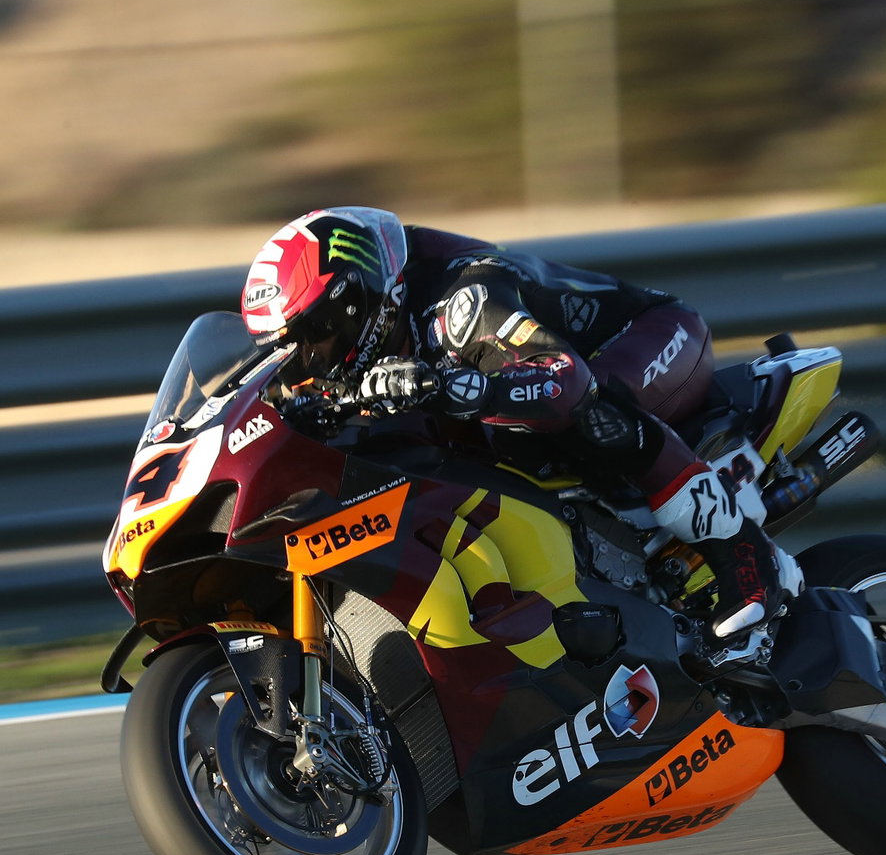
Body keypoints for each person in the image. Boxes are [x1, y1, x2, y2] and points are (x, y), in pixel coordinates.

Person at [241, 206, 800, 653]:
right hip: (532, 382)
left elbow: (564, 381)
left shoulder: (464, 299)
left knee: (585, 406)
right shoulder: (352, 351)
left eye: (313, 336)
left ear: (359, 300)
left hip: (651, 338)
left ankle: (740, 550)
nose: (308, 361)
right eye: (290, 352)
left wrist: (451, 387)